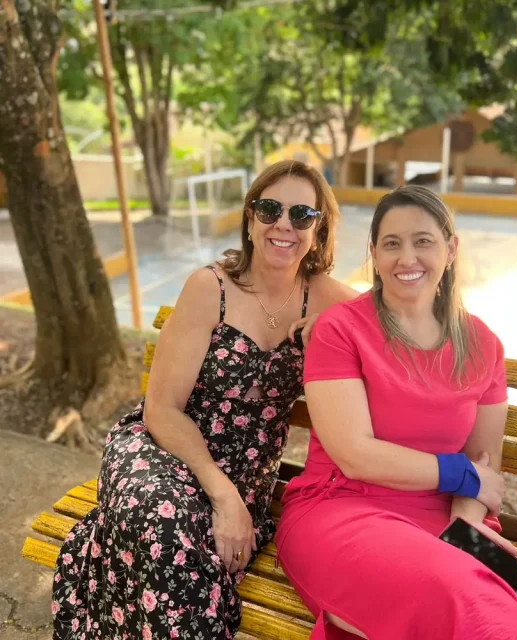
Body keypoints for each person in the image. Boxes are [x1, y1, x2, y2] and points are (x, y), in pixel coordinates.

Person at [51, 160, 356, 639]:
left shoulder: (326, 300)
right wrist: (223, 495)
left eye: (302, 215)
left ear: (318, 231)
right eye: (270, 209)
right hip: (163, 450)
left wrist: (337, 328)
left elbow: (405, 322)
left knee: (172, 543)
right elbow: (162, 410)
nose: (284, 224)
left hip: (246, 475)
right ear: (250, 221)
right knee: (163, 525)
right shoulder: (210, 288)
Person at [275, 185, 517, 640]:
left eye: (423, 241)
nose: (407, 258)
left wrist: (466, 522)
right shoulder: (340, 330)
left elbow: (484, 463)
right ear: (374, 254)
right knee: (461, 599)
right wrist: (462, 475)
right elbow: (355, 455)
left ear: (451, 249)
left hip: (451, 516)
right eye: (391, 243)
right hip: (343, 508)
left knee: (483, 599)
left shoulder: (483, 344)